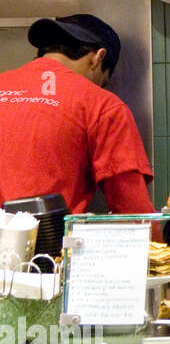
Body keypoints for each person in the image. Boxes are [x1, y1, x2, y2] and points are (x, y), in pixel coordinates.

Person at [0, 14, 153, 214]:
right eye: (103, 82)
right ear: (98, 58)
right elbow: (132, 209)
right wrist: (157, 244)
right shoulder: (102, 105)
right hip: (46, 243)